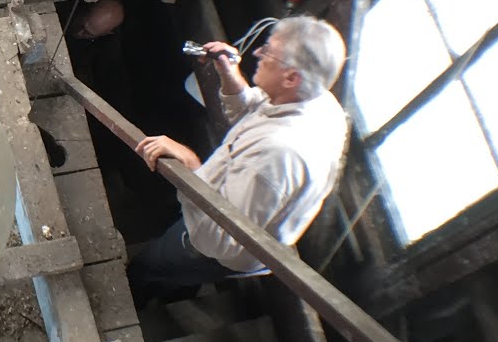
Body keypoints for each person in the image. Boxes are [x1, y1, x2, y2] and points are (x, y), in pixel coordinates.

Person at [127, 17, 349, 305]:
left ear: (291, 77)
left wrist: (191, 162)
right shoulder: (318, 101)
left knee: (151, 265)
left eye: (268, 52)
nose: (257, 53)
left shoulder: (279, 155)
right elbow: (259, 110)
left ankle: (135, 293)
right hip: (232, 215)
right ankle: (174, 289)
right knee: (180, 274)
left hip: (217, 246)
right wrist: (229, 73)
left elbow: (218, 236)